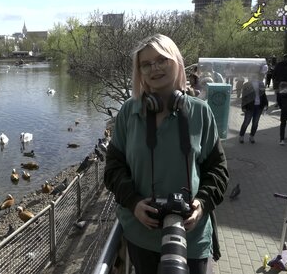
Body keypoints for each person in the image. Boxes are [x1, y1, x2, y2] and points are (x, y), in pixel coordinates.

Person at [104, 34, 229, 274]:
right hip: (141, 236)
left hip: (191, 239)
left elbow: (218, 169)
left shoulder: (201, 112)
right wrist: (134, 203)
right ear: (139, 72)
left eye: (162, 60)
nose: (155, 68)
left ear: (177, 62)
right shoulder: (129, 112)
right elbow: (113, 169)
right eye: (146, 64)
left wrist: (201, 203)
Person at [238, 64, 269, 144]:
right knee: (246, 122)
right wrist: (243, 107)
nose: (255, 76)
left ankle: (252, 136)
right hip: (249, 107)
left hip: (259, 107)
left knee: (255, 123)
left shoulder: (261, 84)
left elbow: (264, 95)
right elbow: (244, 97)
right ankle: (241, 136)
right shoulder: (246, 85)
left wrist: (266, 104)